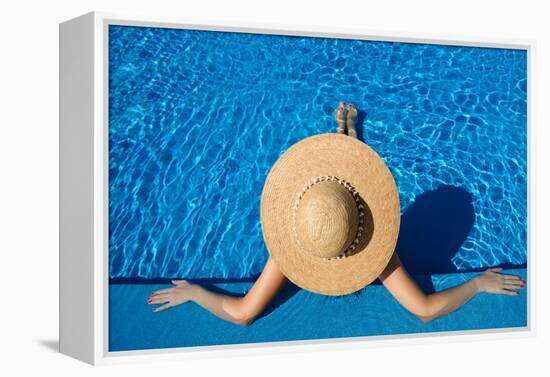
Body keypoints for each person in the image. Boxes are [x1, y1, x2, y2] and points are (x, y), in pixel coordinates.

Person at [147, 103, 525, 326]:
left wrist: (196, 292)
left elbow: (243, 313)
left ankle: (347, 141)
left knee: (335, 201)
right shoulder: (376, 254)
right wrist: (477, 284)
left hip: (328, 234)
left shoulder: (291, 247)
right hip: (353, 238)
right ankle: (349, 143)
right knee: (347, 197)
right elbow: (424, 310)